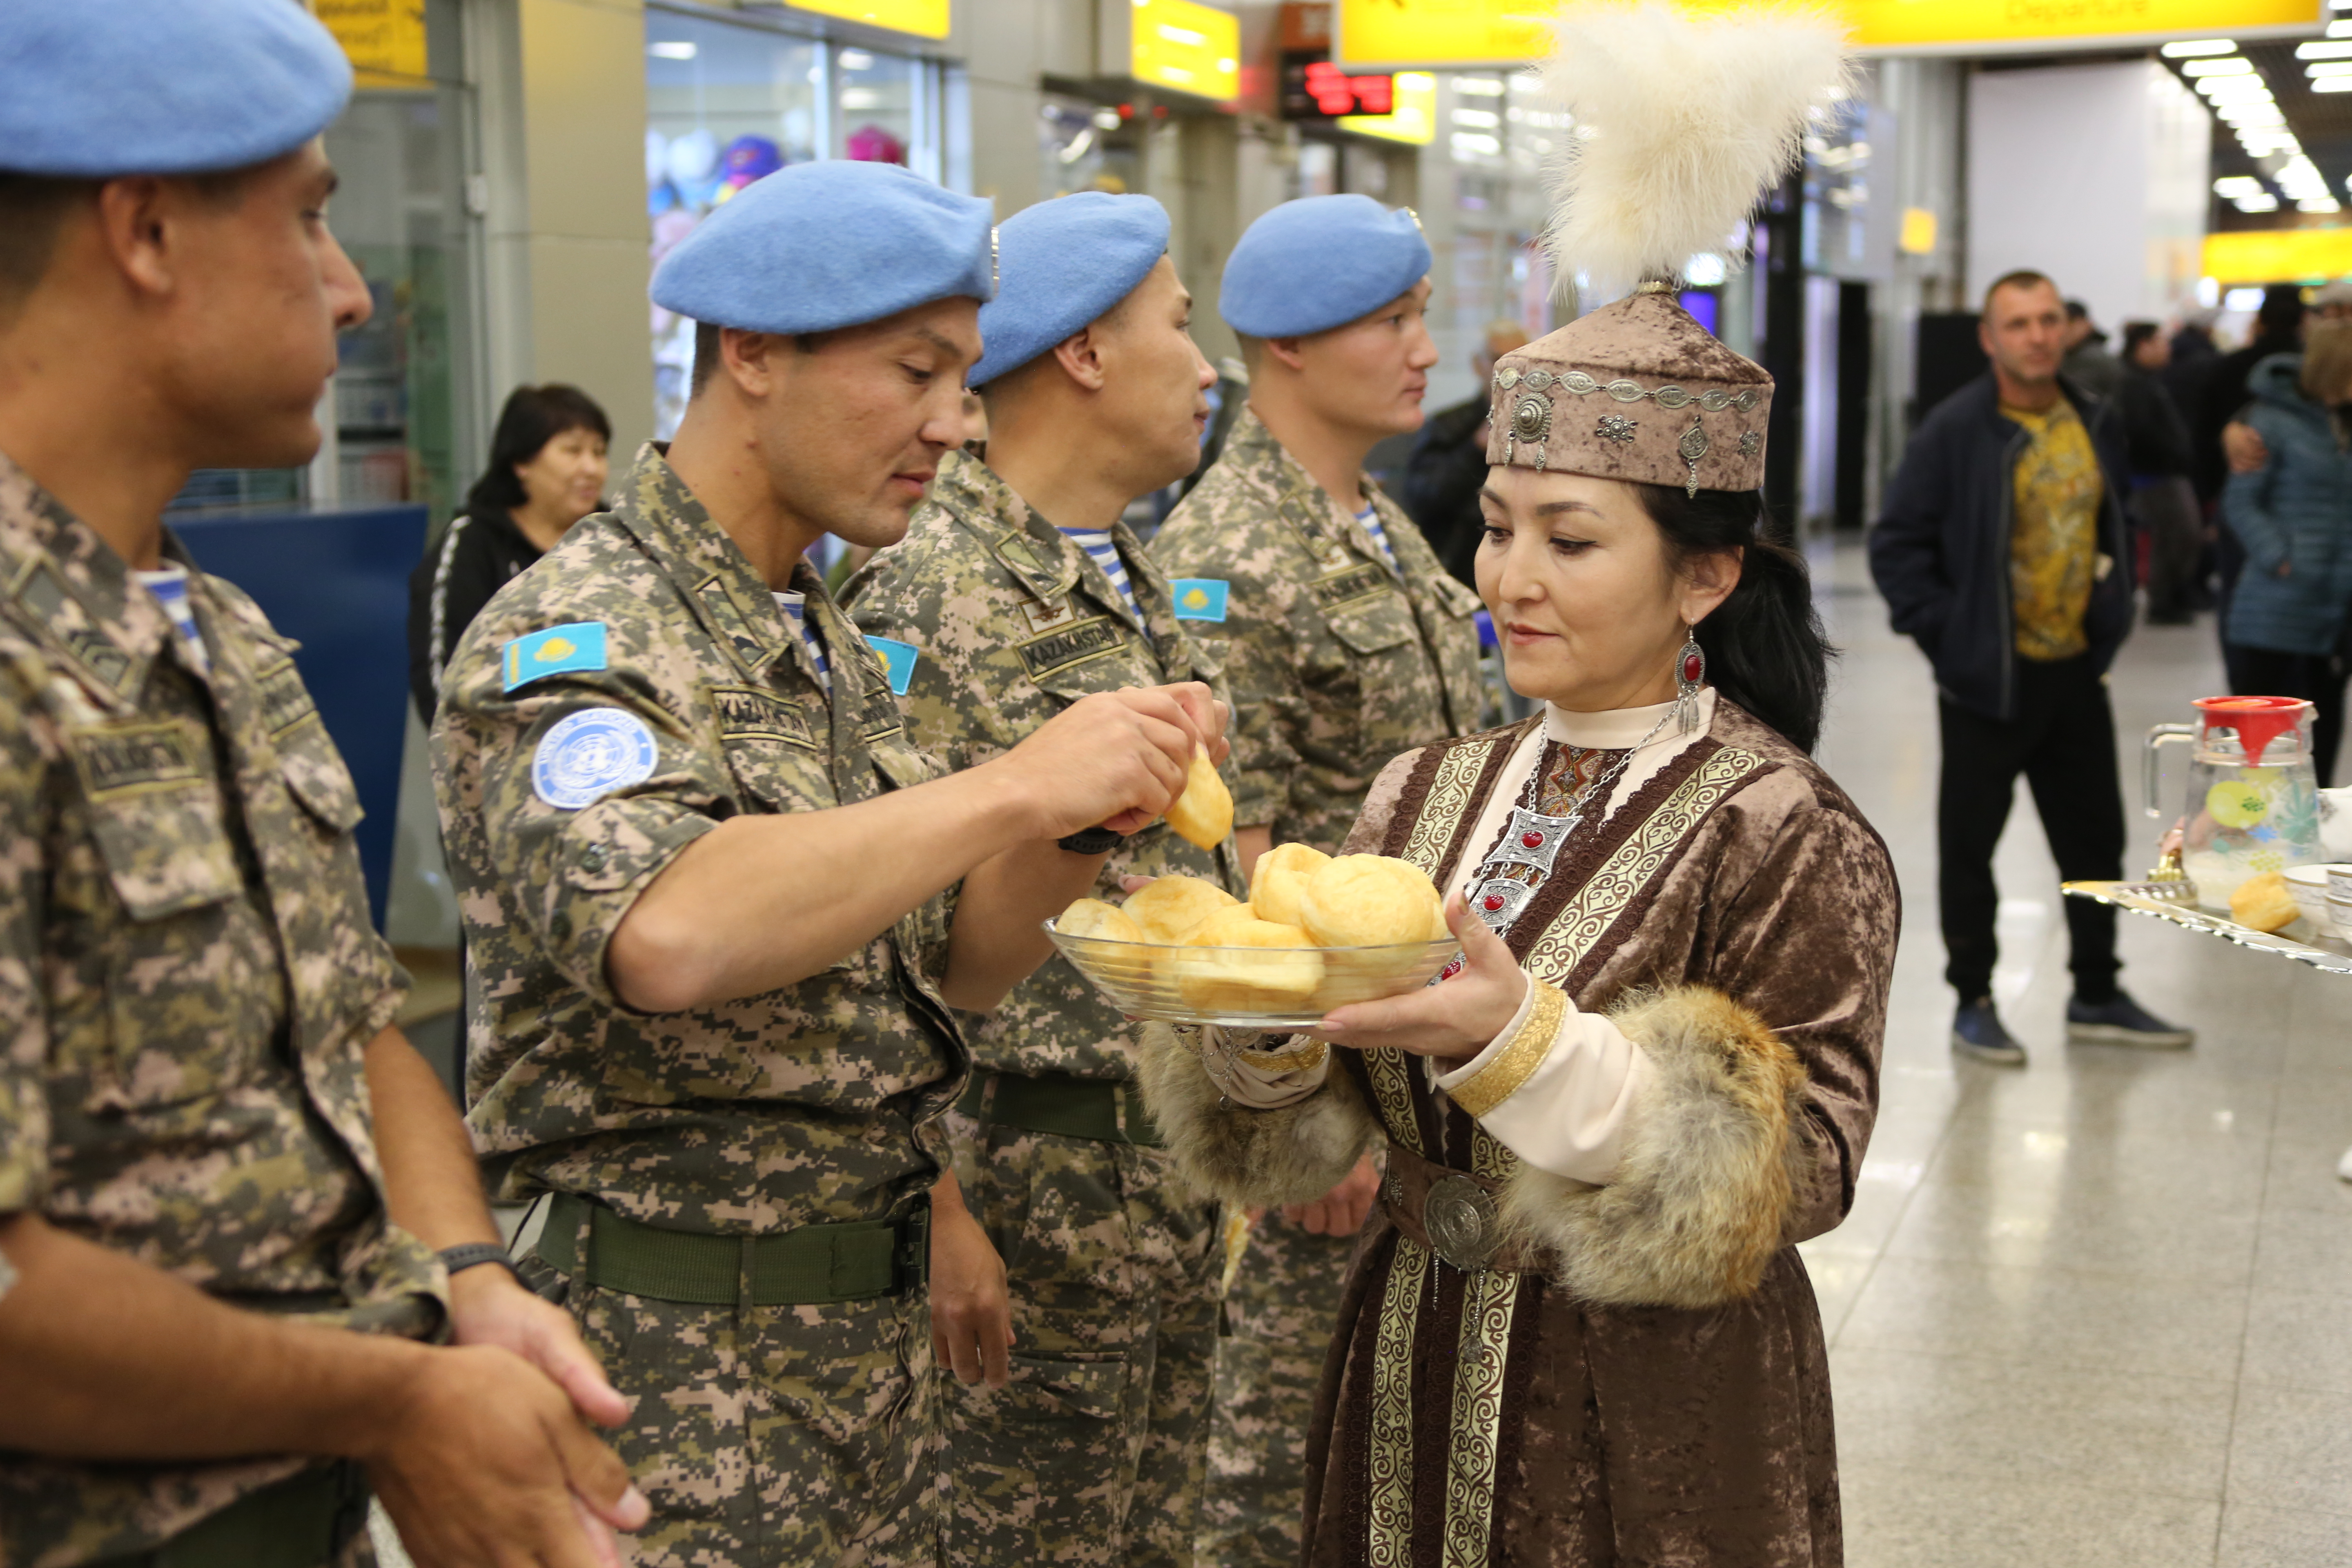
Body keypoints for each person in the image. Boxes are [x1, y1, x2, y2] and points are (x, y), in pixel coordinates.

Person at [1134, 18, 1895, 1561]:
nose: (1509, 581)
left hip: (1654, 1407)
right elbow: (1300, 1136)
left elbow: (1798, 1166)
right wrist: (1260, 1031)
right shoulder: (1423, 789)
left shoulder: (1779, 829)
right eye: (1494, 528)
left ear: (1703, 575)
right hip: (1404, 1345)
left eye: (1570, 538)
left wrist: (1522, 1042)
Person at [432, 160, 1227, 1568]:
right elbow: (667, 929)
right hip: (668, 1375)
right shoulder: (577, 636)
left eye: (966, 380)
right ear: (751, 354)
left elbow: (957, 976)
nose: (951, 425)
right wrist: (1012, 783)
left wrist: (1082, 823)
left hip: (868, 1375)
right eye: (915, 373)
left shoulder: (823, 640)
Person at [0, 3, 649, 1566]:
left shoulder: (204, 626)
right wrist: (392, 1401)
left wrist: (469, 1283)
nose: (355, 295)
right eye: (308, 217)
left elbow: (353, 1027)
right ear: (146, 230)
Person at [843, 192, 1234, 1568]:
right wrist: (939, 1207)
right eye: (1180, 330)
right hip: (1020, 1179)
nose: (1208, 369)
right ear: (1082, 351)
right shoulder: (926, 587)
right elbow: (882, 949)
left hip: (1152, 1169)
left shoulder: (1128, 567)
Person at [1145, 192, 1486, 1568]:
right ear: (1289, 346)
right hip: (1332, 1076)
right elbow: (1232, 855)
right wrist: (1296, 1108)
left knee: (1390, 1435)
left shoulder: (1377, 527)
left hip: (1420, 1043)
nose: (1424, 347)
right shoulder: (1233, 553)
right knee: (1283, 1451)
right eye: (1393, 322)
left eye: (1419, 314)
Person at [1871, 269, 2192, 1064]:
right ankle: (1972, 999)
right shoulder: (1956, 430)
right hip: (1987, 679)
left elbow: (2117, 516)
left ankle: (2097, 990)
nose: (2038, 336)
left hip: (2075, 670)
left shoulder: (2092, 417)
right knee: (1970, 848)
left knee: (2095, 843)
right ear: (1990, 339)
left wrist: (2113, 609)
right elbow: (1896, 543)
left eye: (2049, 320)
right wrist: (1951, 637)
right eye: (2018, 324)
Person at [408, 383, 610, 723]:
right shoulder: (473, 544)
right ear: (522, 462)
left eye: (600, 452)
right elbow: (441, 676)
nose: (591, 468)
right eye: (573, 451)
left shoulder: (612, 540)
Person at [2218, 321, 2352, 786]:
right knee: (2259, 743)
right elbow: (2240, 501)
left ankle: (2313, 834)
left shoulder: (2344, 422)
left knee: (2324, 729)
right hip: (2275, 603)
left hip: (2335, 610)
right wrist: (2281, 556)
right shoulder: (2270, 421)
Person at [1399, 319, 1532, 586]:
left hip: (1523, 563)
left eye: (1523, 360)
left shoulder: (1550, 426)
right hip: (1459, 569)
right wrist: (1476, 447)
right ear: (1478, 365)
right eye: (1499, 359)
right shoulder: (1450, 425)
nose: (1512, 371)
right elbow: (1423, 497)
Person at [2116, 321, 2202, 624]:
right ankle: (2163, 600)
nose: (2167, 349)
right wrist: (2172, 454)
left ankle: (2170, 597)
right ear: (2143, 346)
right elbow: (2140, 431)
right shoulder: (2134, 384)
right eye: (2160, 343)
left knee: (2177, 536)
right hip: (2153, 476)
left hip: (2163, 472)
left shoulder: (2150, 381)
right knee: (2174, 537)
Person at [2061, 298, 2124, 399]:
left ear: (2086, 323)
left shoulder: (2096, 359)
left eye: (2070, 323)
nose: (2064, 330)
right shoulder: (2065, 356)